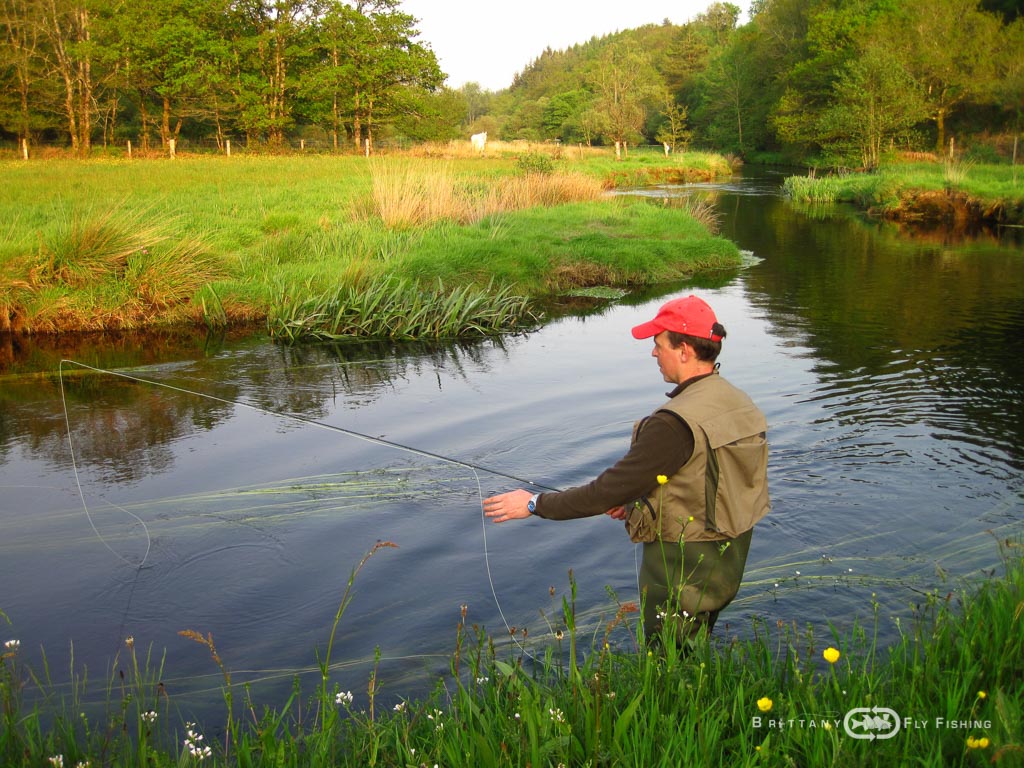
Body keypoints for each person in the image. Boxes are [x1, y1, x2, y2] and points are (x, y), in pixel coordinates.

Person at [483, 294, 770, 642]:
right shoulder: (739, 401)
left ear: (684, 350)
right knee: (697, 639)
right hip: (730, 552)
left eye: (658, 344)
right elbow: (711, 476)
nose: (653, 353)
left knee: (666, 655)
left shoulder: (674, 424)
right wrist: (639, 501)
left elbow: (604, 492)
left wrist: (533, 504)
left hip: (684, 558)